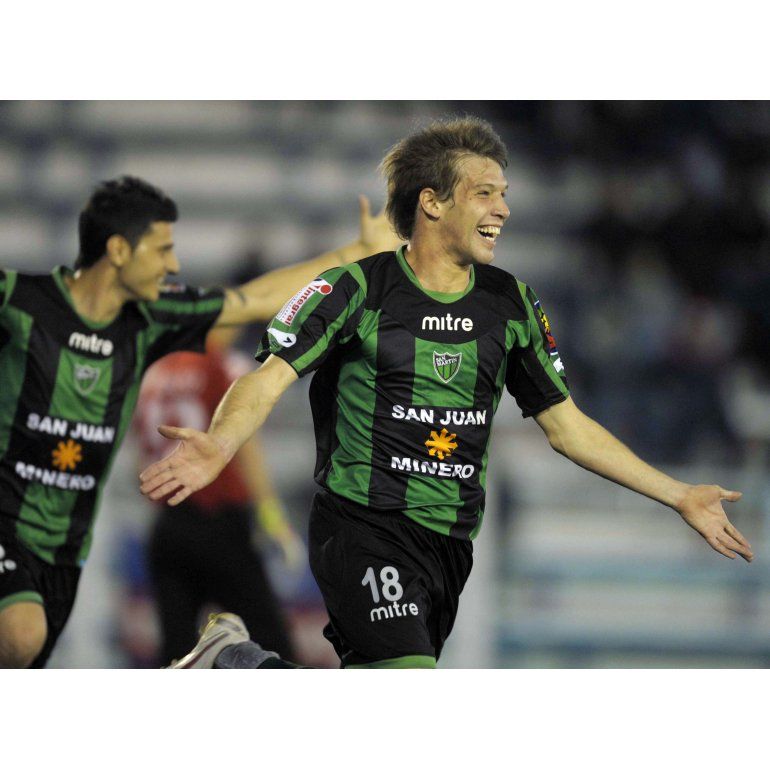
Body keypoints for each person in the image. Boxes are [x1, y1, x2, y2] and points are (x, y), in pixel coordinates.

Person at [140, 118, 754, 670]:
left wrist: (678, 494)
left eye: (505, 194)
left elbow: (567, 427)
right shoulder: (355, 289)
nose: (503, 209)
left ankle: (236, 663)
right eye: (484, 193)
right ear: (431, 202)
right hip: (362, 526)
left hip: (450, 545)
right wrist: (221, 443)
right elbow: (266, 377)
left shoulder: (510, 303)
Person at [0, 175, 400, 668]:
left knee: (29, 657)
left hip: (69, 546)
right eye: (162, 249)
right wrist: (269, 514)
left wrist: (356, 254)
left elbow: (255, 299)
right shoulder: (17, 300)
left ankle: (198, 663)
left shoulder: (152, 322)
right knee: (22, 635)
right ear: (119, 250)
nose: (173, 264)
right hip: (17, 524)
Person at [134, 324, 302, 666]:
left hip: (167, 524)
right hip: (218, 520)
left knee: (176, 653)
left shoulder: (156, 371)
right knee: (272, 643)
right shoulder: (221, 363)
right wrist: (272, 516)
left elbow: (140, 455)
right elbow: (245, 447)